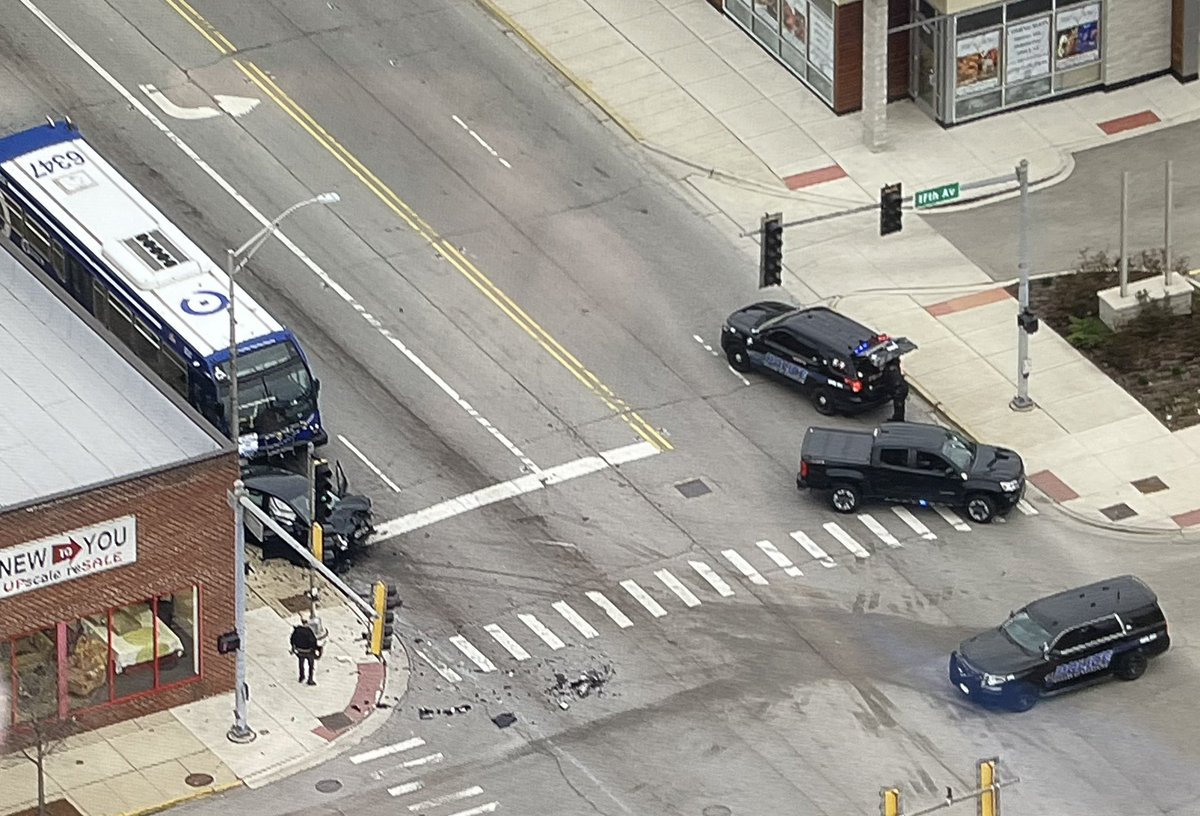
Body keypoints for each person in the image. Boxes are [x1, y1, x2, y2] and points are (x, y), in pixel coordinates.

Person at [290, 617, 322, 686]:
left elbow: (292, 639)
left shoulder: (297, 630)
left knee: (301, 663)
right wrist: (316, 649)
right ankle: (310, 680)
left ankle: (301, 677)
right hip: (308, 651)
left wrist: (294, 647)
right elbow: (313, 642)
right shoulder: (309, 631)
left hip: (299, 650)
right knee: (311, 665)